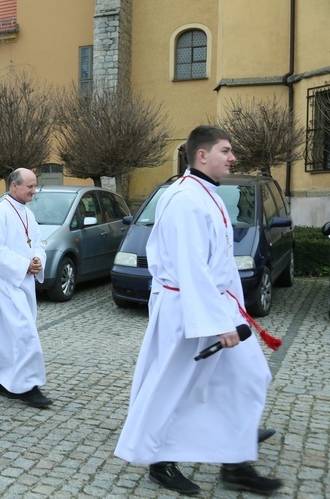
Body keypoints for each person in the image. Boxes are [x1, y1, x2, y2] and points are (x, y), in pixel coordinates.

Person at [114, 126, 282, 495]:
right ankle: (159, 459)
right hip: (187, 310)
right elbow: (192, 267)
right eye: (226, 150)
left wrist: (234, 310)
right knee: (174, 387)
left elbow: (218, 263)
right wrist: (217, 321)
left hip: (215, 305)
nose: (233, 157)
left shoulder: (209, 195)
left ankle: (235, 455)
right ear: (202, 156)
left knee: (248, 377)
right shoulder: (185, 200)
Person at [0, 168, 52, 409]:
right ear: (14, 186)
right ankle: (26, 386)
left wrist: (38, 259)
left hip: (24, 281)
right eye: (29, 186)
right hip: (6, 281)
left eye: (35, 186)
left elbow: (38, 242)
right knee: (23, 333)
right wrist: (23, 265)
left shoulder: (27, 214)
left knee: (10, 335)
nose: (34, 191)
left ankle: (1, 382)